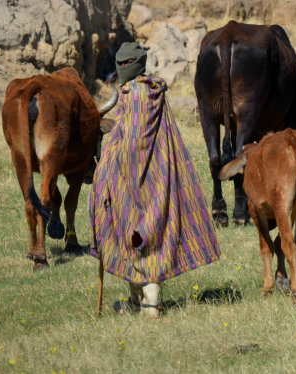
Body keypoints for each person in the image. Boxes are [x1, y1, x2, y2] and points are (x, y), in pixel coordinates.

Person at [89, 42, 221, 317]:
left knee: (129, 232)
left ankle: (144, 300)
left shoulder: (130, 96)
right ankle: (145, 299)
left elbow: (129, 144)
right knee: (154, 232)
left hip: (126, 180)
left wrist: (105, 159)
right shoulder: (155, 93)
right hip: (159, 179)